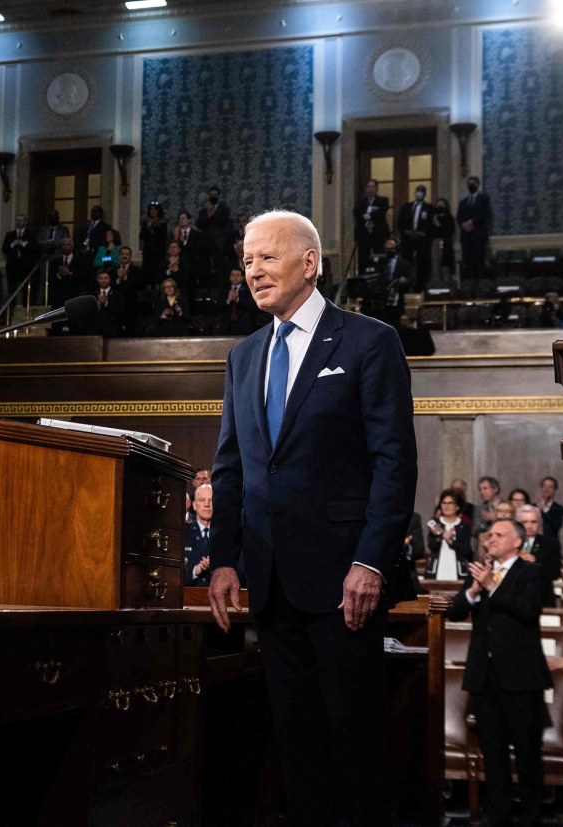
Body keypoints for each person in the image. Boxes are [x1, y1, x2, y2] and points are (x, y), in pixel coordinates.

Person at [208, 209, 417, 827]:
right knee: (296, 752)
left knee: (355, 750)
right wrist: (224, 558)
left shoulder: (368, 341)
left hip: (345, 586)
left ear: (310, 262)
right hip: (271, 586)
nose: (253, 271)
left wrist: (371, 559)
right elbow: (230, 471)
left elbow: (394, 463)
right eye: (247, 261)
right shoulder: (243, 357)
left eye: (267, 257)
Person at [446, 518, 551, 827]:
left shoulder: (532, 572)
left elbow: (527, 610)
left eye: (498, 535)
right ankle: (498, 816)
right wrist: (475, 591)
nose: (490, 539)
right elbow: (454, 611)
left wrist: (493, 587)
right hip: (484, 675)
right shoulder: (482, 572)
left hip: (521, 676)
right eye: (489, 535)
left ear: (517, 542)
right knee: (493, 754)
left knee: (527, 753)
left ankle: (531, 818)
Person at [426, 487, 473, 579]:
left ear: (458, 506)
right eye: (443, 503)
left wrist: (450, 541)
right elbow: (432, 546)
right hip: (437, 569)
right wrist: (438, 536)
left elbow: (466, 550)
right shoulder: (435, 523)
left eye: (450, 503)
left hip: (458, 570)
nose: (446, 506)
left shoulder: (464, 525)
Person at [396, 184, 434, 292]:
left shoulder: (429, 208)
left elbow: (431, 225)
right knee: (407, 262)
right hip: (408, 240)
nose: (419, 193)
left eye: (422, 191)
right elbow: (400, 222)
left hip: (422, 241)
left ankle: (420, 286)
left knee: (422, 263)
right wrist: (407, 231)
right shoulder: (407, 207)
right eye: (418, 191)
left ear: (425, 194)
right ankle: (406, 285)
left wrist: (422, 233)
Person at [516, 504, 562, 591]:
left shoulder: (551, 544)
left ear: (540, 523)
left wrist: (534, 562)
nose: (529, 526)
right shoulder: (509, 543)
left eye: (533, 522)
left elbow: (556, 573)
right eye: (524, 522)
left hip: (542, 596)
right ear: (517, 523)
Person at [456, 176, 492, 281]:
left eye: (473, 183)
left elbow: (485, 214)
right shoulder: (463, 202)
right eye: (469, 183)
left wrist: (472, 222)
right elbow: (459, 217)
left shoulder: (484, 198)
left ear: (477, 184)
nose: (470, 185)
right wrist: (463, 225)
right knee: (468, 264)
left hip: (479, 235)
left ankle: (480, 286)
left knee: (479, 263)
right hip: (466, 237)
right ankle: (469, 287)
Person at [195, 185, 232, 282]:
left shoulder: (224, 209)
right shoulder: (203, 211)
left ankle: (221, 287)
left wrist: (213, 214)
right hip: (205, 243)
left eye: (215, 195)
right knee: (204, 266)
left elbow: (223, 223)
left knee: (220, 266)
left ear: (218, 196)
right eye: (211, 195)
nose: (213, 197)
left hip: (219, 242)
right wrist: (208, 214)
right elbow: (199, 224)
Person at [353, 179, 390, 274]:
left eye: (373, 187)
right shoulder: (361, 202)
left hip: (378, 235)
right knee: (363, 259)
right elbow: (357, 212)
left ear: (376, 189)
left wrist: (369, 214)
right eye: (369, 187)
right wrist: (372, 209)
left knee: (379, 258)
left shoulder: (382, 200)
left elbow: (381, 212)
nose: (370, 189)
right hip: (364, 235)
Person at [185, 483, 214, 586]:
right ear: (194, 505)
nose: (207, 504)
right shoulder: (184, 533)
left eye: (211, 500)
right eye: (202, 500)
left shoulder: (225, 535)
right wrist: (195, 571)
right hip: (190, 595)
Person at [219, 268, 256, 335]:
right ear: (230, 278)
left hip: (244, 326)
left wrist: (237, 300)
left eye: (238, 275)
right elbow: (218, 307)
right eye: (233, 275)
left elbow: (251, 306)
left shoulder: (248, 290)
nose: (235, 277)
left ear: (242, 278)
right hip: (227, 327)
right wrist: (228, 300)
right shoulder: (224, 290)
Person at [139, 201, 168, 280]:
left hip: (159, 252)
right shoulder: (145, 223)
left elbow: (163, 236)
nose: (153, 211)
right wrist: (148, 227)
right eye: (151, 209)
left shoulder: (163, 223)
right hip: (148, 252)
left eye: (155, 209)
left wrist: (156, 226)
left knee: (158, 272)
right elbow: (142, 236)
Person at [431, 197, 457, 280]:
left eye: (441, 205)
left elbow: (447, 232)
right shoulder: (433, 218)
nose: (439, 206)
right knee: (436, 267)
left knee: (445, 269)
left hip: (445, 244)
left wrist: (438, 224)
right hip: (435, 243)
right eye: (438, 205)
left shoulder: (449, 218)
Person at [536, 476, 563, 540]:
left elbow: (556, 525)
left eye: (550, 487)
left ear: (555, 490)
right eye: (544, 486)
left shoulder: (559, 509)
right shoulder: (533, 507)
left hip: (551, 544)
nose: (546, 489)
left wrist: (543, 510)